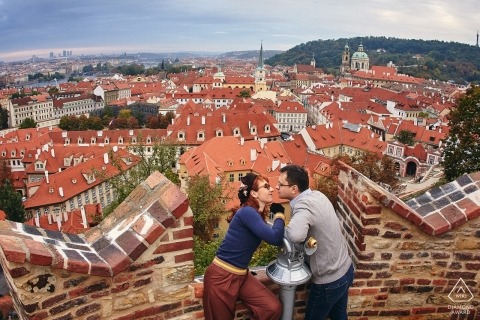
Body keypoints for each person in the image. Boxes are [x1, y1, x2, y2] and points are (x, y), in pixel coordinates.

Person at [203, 172, 286, 320]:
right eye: (266, 186)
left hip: (242, 275)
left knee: (272, 308)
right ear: (254, 193)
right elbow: (275, 238)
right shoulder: (247, 212)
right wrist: (280, 214)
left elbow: (274, 235)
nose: (272, 189)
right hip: (221, 277)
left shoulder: (256, 215)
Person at [277, 164, 354, 320]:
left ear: (294, 189)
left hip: (329, 280)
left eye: (280, 184)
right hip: (346, 269)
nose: (276, 187)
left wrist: (282, 224)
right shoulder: (317, 195)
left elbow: (295, 236)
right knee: (339, 317)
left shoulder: (304, 205)